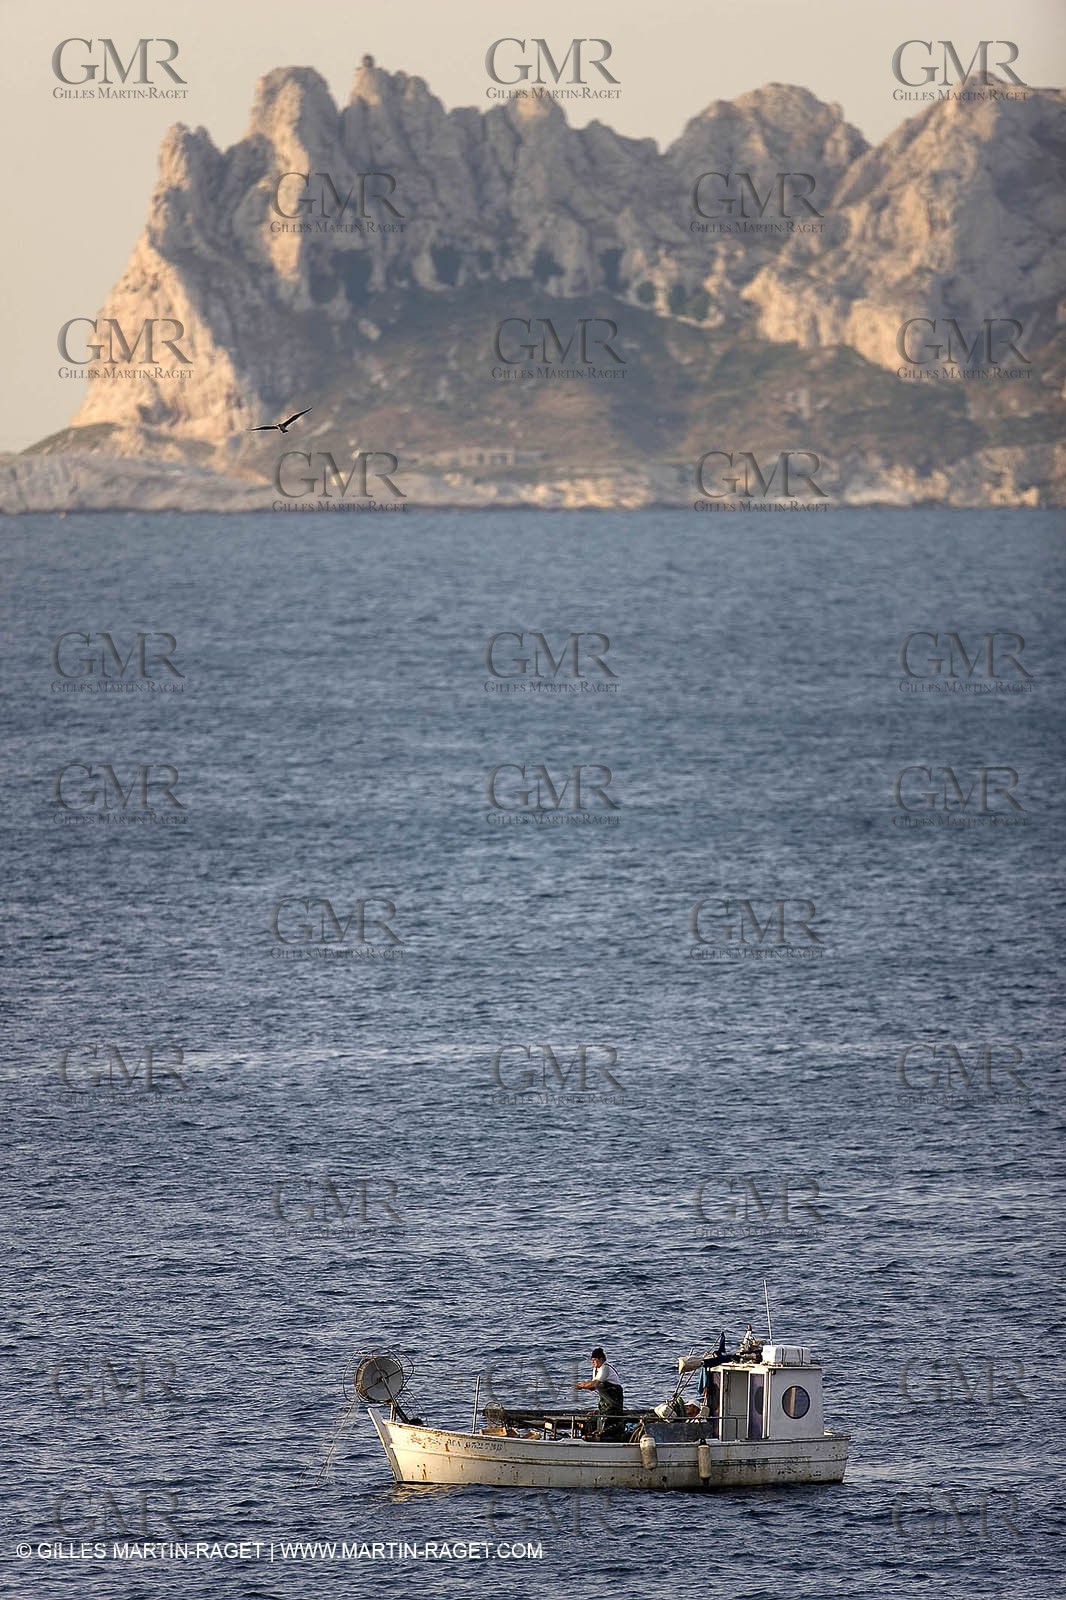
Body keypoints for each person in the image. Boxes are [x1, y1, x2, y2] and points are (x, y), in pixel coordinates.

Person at [576, 1346, 625, 1439]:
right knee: (599, 1415)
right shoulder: (595, 1370)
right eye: (592, 1361)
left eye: (595, 1360)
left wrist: (582, 1386)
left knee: (610, 1416)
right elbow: (593, 1387)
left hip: (614, 1397)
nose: (593, 1362)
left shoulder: (605, 1368)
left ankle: (604, 1435)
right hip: (604, 1401)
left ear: (601, 1359)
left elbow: (595, 1383)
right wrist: (584, 1387)